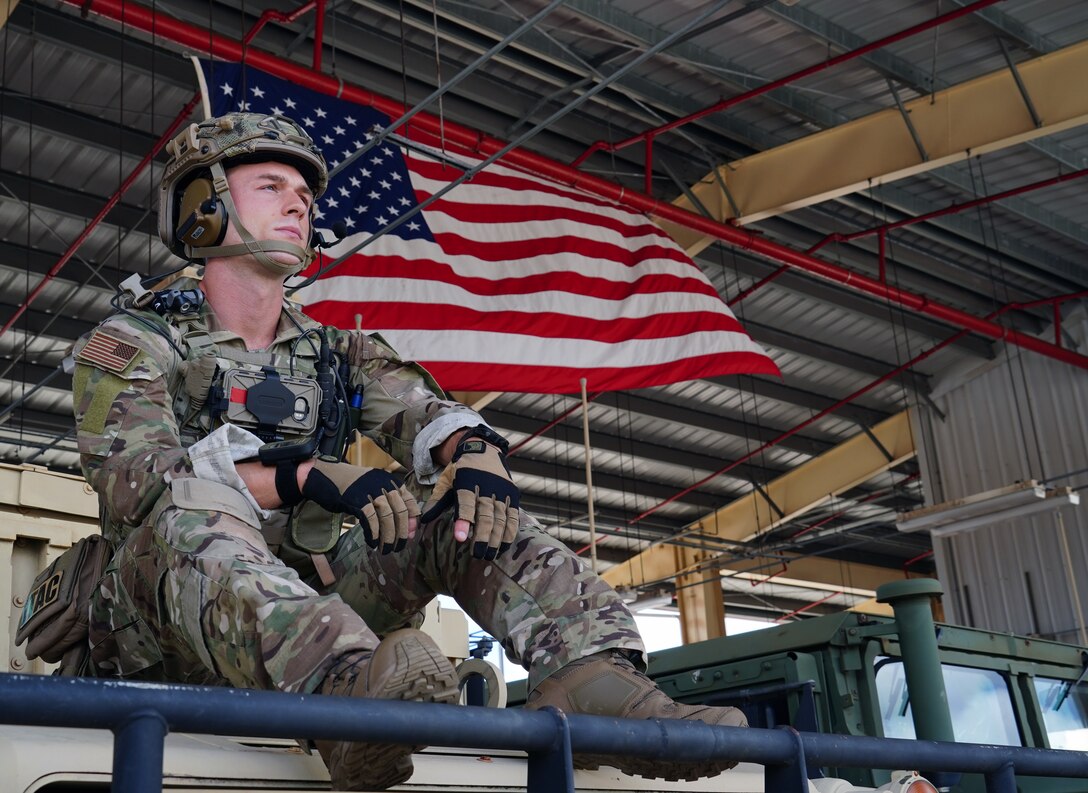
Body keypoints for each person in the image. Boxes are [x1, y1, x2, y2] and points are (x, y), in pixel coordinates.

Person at [70, 112, 747, 790]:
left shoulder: (339, 352)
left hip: (310, 607)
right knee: (193, 512)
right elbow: (138, 484)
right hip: (163, 623)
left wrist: (476, 451)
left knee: (459, 505)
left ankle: (589, 679)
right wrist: (302, 474)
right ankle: (349, 705)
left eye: (304, 197)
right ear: (202, 208)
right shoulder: (136, 340)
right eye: (271, 186)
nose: (297, 204)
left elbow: (425, 412)